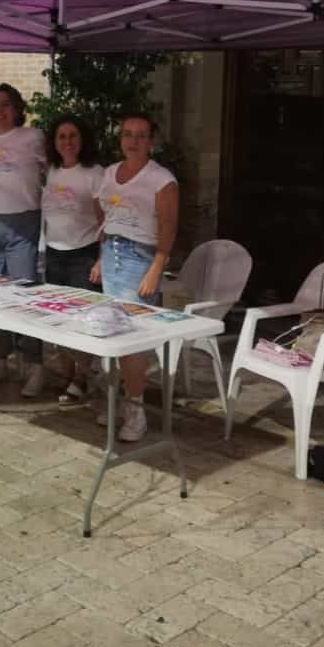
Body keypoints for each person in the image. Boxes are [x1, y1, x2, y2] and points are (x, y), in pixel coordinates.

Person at [92, 111, 179, 442]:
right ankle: (118, 403)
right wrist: (101, 257)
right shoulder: (111, 173)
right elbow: (104, 213)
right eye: (128, 134)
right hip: (111, 254)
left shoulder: (162, 179)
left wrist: (156, 267)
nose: (134, 141)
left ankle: (137, 411)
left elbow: (169, 225)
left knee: (132, 340)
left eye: (141, 135)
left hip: (139, 258)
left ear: (151, 142)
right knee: (111, 334)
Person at [0, 83, 48, 396]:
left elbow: (53, 173)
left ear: (17, 109)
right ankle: (0, 359)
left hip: (22, 225)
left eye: (6, 104)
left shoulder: (32, 137)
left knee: (24, 294)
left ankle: (35, 364)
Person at [41, 114, 105, 404]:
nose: (67, 142)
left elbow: (106, 220)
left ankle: (81, 377)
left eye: (73, 136)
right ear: (54, 142)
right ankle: (67, 374)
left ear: (82, 140)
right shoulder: (52, 171)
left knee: (83, 318)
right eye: (61, 136)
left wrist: (101, 260)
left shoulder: (94, 173)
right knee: (60, 317)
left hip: (84, 253)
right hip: (55, 254)